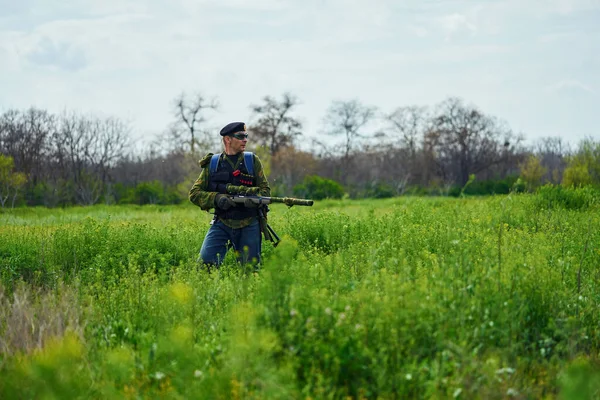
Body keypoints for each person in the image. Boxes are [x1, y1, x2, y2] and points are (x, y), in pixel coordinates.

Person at [188, 122, 271, 269]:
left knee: (250, 270)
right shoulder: (213, 164)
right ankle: (213, 291)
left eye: (246, 136)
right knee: (206, 263)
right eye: (240, 136)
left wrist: (252, 200)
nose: (245, 140)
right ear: (228, 139)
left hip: (249, 223)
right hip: (222, 224)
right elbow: (194, 194)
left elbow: (265, 192)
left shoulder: (252, 161)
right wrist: (217, 198)